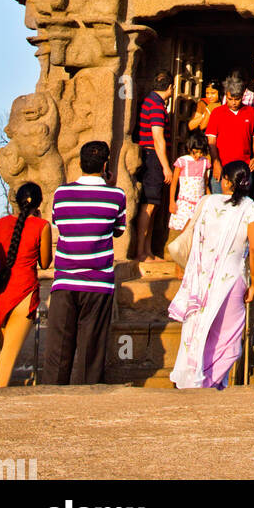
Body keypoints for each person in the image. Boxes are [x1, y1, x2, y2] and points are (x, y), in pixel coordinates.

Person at [168, 159, 254, 389]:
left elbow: (188, 231)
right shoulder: (250, 208)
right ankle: (210, 381)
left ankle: (197, 379)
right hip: (232, 279)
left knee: (202, 331)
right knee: (228, 339)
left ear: (226, 181)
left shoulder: (206, 202)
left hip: (201, 280)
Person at [41, 140, 126, 386]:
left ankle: (51, 401)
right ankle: (86, 404)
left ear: (79, 163)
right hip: (99, 283)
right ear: (106, 166)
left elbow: (60, 224)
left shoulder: (61, 193)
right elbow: (118, 230)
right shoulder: (116, 195)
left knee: (58, 350)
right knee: (91, 351)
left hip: (66, 280)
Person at [0, 182, 52, 387]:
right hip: (24, 293)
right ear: (39, 203)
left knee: (4, 353)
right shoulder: (41, 226)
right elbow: (45, 263)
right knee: (7, 360)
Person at [135, 70, 174, 262]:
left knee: (154, 204)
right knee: (148, 205)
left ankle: (148, 250)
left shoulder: (152, 101)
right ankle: (141, 251)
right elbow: (158, 138)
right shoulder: (157, 106)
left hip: (151, 154)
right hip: (152, 155)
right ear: (170, 87)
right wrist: (166, 166)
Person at [206, 73, 254, 196]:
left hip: (243, 167)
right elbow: (211, 141)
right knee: (219, 204)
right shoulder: (217, 113)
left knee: (241, 204)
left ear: (242, 96)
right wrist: (216, 162)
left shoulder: (250, 112)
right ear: (226, 96)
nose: (234, 103)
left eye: (237, 99)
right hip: (221, 166)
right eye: (230, 99)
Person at [168, 132, 211, 238]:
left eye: (201, 153)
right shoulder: (182, 161)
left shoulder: (205, 162)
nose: (198, 155)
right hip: (184, 203)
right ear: (189, 149)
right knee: (182, 232)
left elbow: (205, 183)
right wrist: (172, 202)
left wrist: (209, 198)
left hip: (199, 204)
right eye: (195, 152)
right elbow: (174, 183)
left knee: (197, 231)